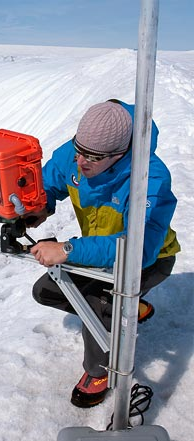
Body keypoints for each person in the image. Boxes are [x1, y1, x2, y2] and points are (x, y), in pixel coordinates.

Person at [28, 99, 180, 408]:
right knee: (46, 291)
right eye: (78, 151)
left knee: (97, 305)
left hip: (148, 260)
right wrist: (38, 207)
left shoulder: (150, 180)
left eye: (93, 158)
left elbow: (139, 249)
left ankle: (100, 371)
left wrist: (69, 250)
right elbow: (50, 181)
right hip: (97, 256)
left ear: (120, 154)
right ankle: (129, 311)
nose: (81, 162)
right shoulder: (77, 155)